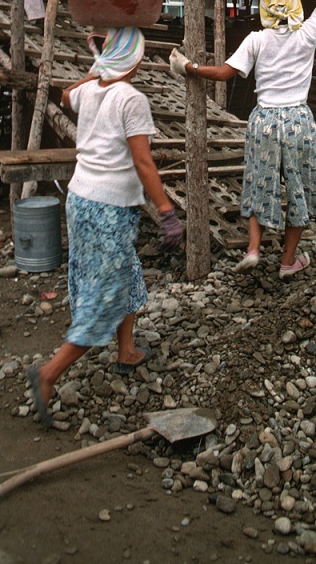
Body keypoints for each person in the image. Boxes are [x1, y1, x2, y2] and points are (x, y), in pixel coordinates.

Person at [25, 26, 184, 428]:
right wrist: (166, 210)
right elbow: (144, 163)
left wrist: (97, 68)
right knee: (105, 295)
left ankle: (126, 350)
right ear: (136, 60)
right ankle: (49, 373)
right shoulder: (132, 100)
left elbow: (65, 95)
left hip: (80, 200)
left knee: (125, 272)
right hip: (108, 208)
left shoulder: (89, 91)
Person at [170, 0, 316, 279]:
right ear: (294, 1)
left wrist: (188, 67)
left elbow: (224, 73)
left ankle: (254, 249)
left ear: (263, 5)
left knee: (259, 184)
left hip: (264, 121)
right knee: (298, 190)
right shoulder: (307, 35)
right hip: (297, 120)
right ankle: (288, 260)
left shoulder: (257, 40)